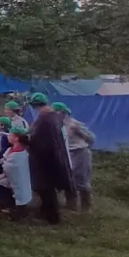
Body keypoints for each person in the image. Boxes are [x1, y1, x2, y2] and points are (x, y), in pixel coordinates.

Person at [27, 93, 74, 224]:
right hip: (52, 158)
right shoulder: (53, 117)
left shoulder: (45, 119)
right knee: (47, 190)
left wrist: (27, 141)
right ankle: (47, 214)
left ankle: (52, 218)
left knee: (46, 189)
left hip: (45, 161)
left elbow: (41, 142)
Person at [54, 102, 96, 212]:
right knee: (68, 179)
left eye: (55, 112)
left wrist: (85, 146)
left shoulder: (74, 125)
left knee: (82, 179)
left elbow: (90, 137)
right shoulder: (58, 125)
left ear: (62, 112)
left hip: (80, 152)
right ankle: (71, 205)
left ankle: (86, 207)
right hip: (68, 153)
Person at [0, 126, 32, 220]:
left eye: (10, 135)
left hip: (19, 178)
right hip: (11, 178)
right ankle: (9, 206)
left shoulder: (19, 153)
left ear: (16, 138)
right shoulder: (13, 149)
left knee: (19, 194)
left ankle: (18, 213)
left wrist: (4, 163)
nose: (8, 136)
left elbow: (10, 166)